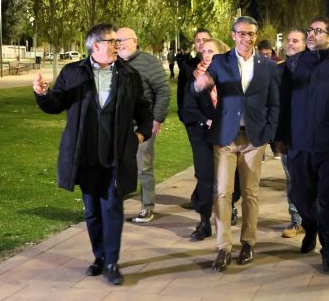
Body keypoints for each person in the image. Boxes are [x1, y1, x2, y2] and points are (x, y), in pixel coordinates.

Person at [33, 23, 153, 285]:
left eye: (118, 41)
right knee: (93, 212)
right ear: (96, 45)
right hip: (85, 155)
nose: (118, 45)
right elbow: (56, 104)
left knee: (112, 209)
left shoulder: (129, 75)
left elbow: (144, 110)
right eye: (112, 41)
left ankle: (111, 262)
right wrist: (43, 93)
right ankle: (99, 256)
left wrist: (140, 136)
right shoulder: (73, 73)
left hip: (115, 156)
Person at [194, 15, 280, 272]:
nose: (246, 38)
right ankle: (223, 247)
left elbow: (274, 104)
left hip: (254, 138)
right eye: (242, 33)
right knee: (223, 192)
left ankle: (248, 243)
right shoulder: (220, 61)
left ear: (256, 36)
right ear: (233, 35)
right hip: (226, 137)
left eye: (251, 34)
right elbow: (202, 85)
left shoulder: (268, 66)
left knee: (250, 192)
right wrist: (201, 84)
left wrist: (268, 133)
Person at [276, 17, 329, 274]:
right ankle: (310, 227)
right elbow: (283, 104)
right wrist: (280, 138)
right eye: (310, 30)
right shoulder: (294, 64)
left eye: (318, 31)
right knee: (300, 197)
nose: (311, 34)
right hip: (300, 144)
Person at [116, 28, 171, 224]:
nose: (119, 43)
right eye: (116, 40)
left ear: (135, 41)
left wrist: (157, 119)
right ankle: (112, 207)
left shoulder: (149, 63)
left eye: (123, 40)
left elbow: (163, 92)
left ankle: (147, 207)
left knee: (144, 167)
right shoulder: (112, 63)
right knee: (115, 166)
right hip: (116, 126)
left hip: (141, 126)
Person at [180, 37, 230, 241]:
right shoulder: (195, 78)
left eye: (211, 51)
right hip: (203, 135)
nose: (206, 55)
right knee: (205, 177)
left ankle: (229, 209)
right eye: (204, 51)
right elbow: (188, 108)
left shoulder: (230, 76)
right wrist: (206, 121)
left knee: (229, 178)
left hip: (227, 134)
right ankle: (204, 221)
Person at [279, 29, 307, 239]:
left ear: (305, 44)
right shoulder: (279, 70)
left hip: (311, 134)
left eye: (295, 40)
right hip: (288, 135)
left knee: (310, 179)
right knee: (292, 178)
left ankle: (313, 218)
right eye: (288, 40)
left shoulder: (315, 69)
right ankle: (297, 219)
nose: (290, 43)